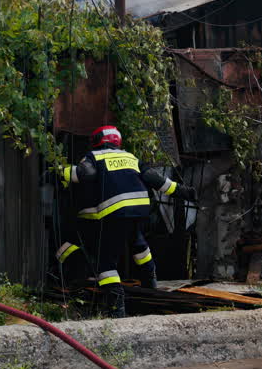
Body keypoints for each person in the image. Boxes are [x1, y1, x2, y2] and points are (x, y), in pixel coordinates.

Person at [55, 125, 196, 318]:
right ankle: (150, 284)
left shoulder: (94, 157)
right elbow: (156, 180)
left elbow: (84, 174)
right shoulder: (131, 158)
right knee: (138, 244)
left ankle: (116, 307)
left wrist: (57, 171)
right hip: (139, 211)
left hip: (114, 214)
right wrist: (183, 191)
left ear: (96, 141)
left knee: (106, 260)